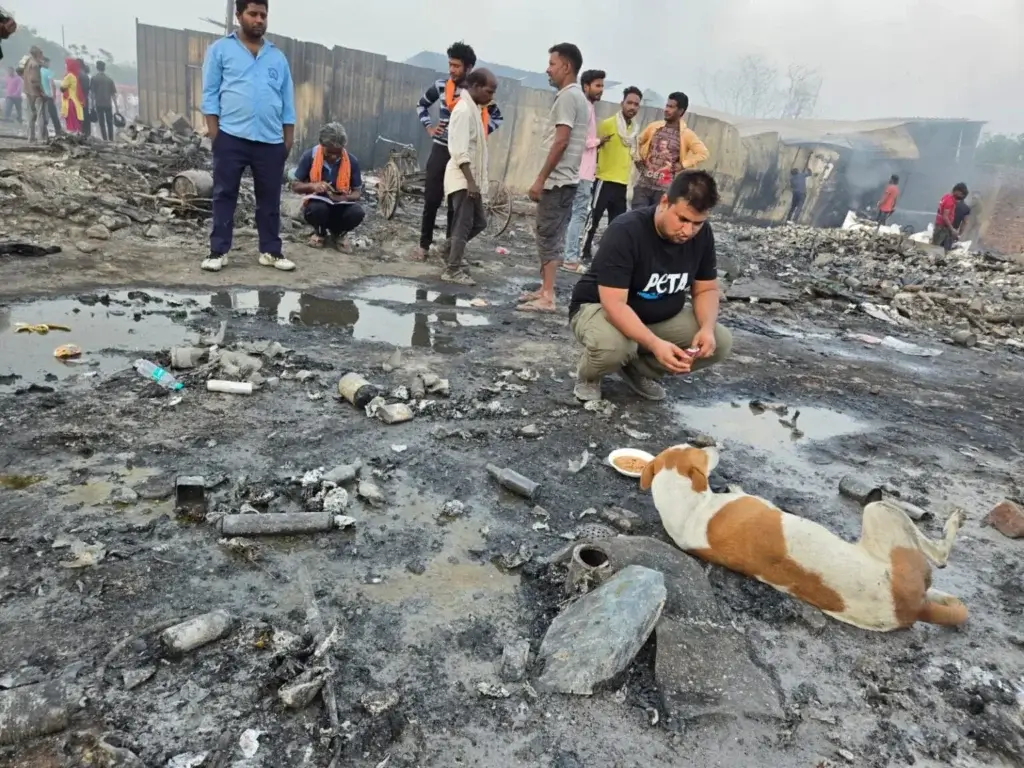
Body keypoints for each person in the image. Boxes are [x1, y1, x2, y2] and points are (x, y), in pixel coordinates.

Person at [568, 170, 732, 403]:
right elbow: (614, 304)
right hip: (601, 309)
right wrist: (655, 344)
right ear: (665, 202)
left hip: (657, 317)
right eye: (682, 219)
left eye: (697, 223)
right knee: (613, 347)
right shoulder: (626, 230)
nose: (688, 231)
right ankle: (589, 376)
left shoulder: (702, 235)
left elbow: (705, 289)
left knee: (719, 341)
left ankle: (638, 369)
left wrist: (706, 328)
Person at [200, 0, 296, 273]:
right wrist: (216, 134)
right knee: (224, 194)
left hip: (270, 141)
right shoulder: (220, 50)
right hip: (231, 136)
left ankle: (271, 251)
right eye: (253, 14)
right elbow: (210, 94)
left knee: (270, 199)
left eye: (263, 15)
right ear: (239, 15)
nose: (259, 20)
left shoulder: (277, 57)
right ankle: (218, 251)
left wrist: (287, 140)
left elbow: (288, 102)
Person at [413, 42, 503, 261]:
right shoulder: (441, 86)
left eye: (456, 66)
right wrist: (429, 127)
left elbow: (497, 117)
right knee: (431, 199)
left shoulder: (477, 93)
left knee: (456, 205)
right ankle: (424, 246)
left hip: (463, 154)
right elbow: (421, 105)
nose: (452, 70)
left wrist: (477, 133)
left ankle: (449, 248)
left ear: (469, 68)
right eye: (450, 65)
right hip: (441, 149)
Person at [519, 42, 589, 314]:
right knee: (548, 234)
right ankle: (544, 289)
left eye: (552, 64)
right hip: (564, 181)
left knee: (549, 236)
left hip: (558, 181)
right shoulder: (574, 97)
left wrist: (541, 178)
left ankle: (548, 296)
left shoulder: (568, 97)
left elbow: (561, 141)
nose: (548, 69)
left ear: (566, 66)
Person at [441, 68, 498, 286]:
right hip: (463, 179)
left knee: (479, 223)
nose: (491, 96)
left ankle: (449, 250)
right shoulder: (464, 110)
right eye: (488, 91)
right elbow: (459, 151)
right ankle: (452, 269)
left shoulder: (474, 109)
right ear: (474, 86)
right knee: (463, 225)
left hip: (471, 180)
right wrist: (471, 182)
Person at [583, 86, 642, 264]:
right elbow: (593, 147)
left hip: (622, 184)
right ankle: (584, 252)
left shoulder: (634, 131)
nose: (632, 107)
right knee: (593, 220)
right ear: (621, 103)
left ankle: (606, 256)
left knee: (617, 225)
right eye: (629, 103)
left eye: (636, 104)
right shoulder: (608, 124)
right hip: (604, 180)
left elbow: (635, 155)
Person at [291, 122, 365, 250]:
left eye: (338, 153)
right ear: (321, 144)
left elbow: (357, 192)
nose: (333, 156)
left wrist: (343, 198)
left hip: (340, 207)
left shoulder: (351, 161)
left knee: (357, 212)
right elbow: (295, 186)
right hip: (318, 207)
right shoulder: (310, 156)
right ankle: (320, 233)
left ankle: (338, 234)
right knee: (318, 209)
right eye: (329, 152)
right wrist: (313, 186)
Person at [560, 68, 605, 273]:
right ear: (586, 86)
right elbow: (580, 140)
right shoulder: (585, 108)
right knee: (578, 214)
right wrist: (599, 141)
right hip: (582, 171)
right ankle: (570, 259)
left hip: (581, 170)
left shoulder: (589, 107)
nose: (600, 89)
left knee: (573, 214)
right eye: (597, 85)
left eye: (602, 86)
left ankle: (566, 255)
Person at [633, 92, 708, 210]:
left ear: (681, 111)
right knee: (637, 217)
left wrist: (683, 165)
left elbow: (703, 153)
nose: (666, 109)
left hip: (663, 190)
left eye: (671, 107)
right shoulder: (654, 127)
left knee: (656, 219)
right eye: (667, 105)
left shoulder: (686, 134)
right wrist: (638, 160)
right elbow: (636, 142)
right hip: (643, 186)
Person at [932, 182, 968, 252]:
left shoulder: (946, 196)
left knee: (938, 247)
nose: (962, 197)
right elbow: (945, 216)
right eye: (962, 194)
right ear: (957, 191)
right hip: (943, 229)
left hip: (941, 227)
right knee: (938, 249)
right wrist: (952, 229)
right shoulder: (950, 201)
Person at [21, 45, 45, 141]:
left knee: (32, 115)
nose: (42, 55)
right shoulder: (35, 65)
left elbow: (21, 73)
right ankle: (41, 137)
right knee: (39, 115)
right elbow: (34, 80)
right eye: (40, 53)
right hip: (35, 93)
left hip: (28, 91)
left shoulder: (27, 62)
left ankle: (31, 136)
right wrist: (41, 91)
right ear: (37, 54)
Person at [90, 60, 117, 141]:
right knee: (110, 123)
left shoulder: (94, 79)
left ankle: (105, 139)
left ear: (97, 68)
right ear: (104, 68)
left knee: (102, 123)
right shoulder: (109, 79)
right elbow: (113, 95)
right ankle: (111, 139)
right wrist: (117, 108)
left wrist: (92, 105)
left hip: (99, 104)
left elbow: (92, 94)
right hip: (108, 104)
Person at [59, 58, 84, 135]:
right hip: (76, 102)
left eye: (66, 64)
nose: (65, 66)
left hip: (70, 102)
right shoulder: (75, 76)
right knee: (76, 123)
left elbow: (62, 87)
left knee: (71, 123)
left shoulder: (69, 76)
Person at [39, 57, 61, 137]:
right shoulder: (48, 72)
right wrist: (54, 95)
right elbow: (52, 84)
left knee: (42, 114)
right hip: (48, 96)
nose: (49, 64)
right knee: (53, 114)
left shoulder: (38, 71)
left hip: (40, 95)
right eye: (48, 63)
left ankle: (43, 132)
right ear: (44, 62)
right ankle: (58, 131)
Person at [78, 60, 92, 138]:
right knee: (85, 116)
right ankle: (86, 133)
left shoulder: (79, 75)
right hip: (85, 99)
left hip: (80, 99)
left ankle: (82, 133)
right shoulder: (85, 76)